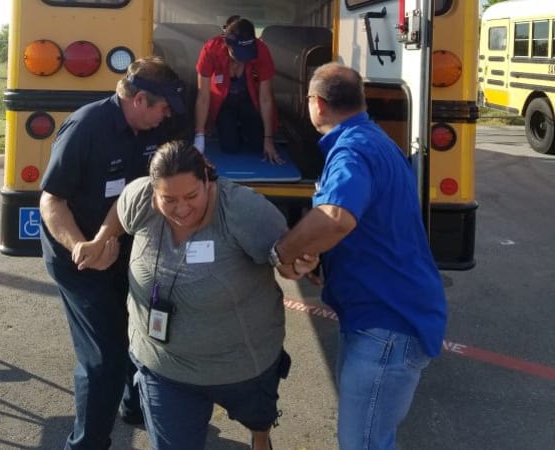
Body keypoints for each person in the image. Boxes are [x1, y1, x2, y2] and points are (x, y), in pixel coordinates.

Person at [81, 140, 316, 450]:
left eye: (191, 196)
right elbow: (120, 210)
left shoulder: (244, 210)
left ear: (207, 179)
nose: (181, 209)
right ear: (153, 190)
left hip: (240, 365)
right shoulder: (140, 197)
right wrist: (101, 240)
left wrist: (296, 266)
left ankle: (260, 436)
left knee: (258, 416)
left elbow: (283, 257)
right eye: (168, 199)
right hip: (162, 366)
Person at [272, 63, 448, 450]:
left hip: (387, 325)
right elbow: (365, 222)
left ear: (317, 104)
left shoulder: (351, 150)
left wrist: (282, 251)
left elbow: (336, 217)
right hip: (385, 317)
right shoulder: (375, 140)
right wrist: (323, 259)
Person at [39, 56, 186, 450]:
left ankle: (134, 405)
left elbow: (141, 191)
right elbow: (51, 200)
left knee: (144, 333)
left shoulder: (157, 127)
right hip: (80, 258)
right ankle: (86, 444)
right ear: (138, 100)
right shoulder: (86, 128)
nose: (168, 115)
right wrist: (81, 246)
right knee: (103, 357)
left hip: (125, 249)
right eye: (163, 107)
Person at [194, 16, 283, 164]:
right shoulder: (211, 49)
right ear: (227, 44)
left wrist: (268, 139)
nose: (243, 59)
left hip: (250, 100)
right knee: (229, 147)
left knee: (258, 145)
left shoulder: (261, 50)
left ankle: (248, 131)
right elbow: (203, 96)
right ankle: (233, 131)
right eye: (239, 53)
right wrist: (199, 138)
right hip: (224, 102)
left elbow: (266, 98)